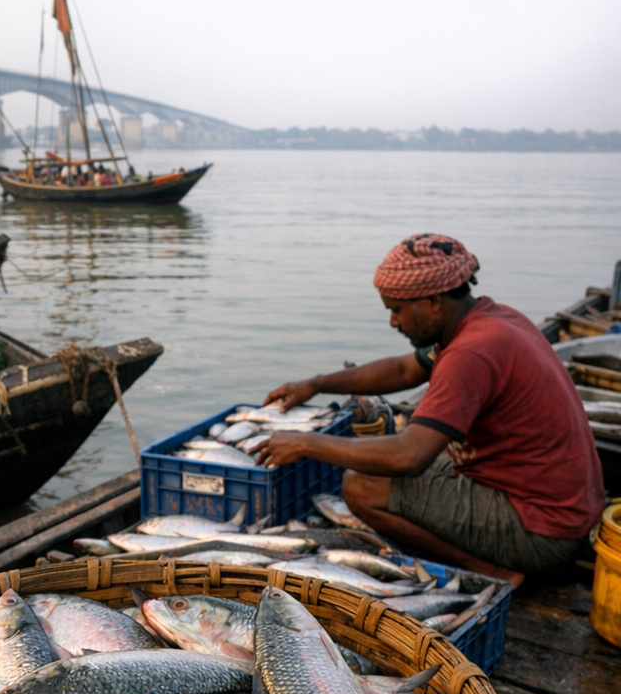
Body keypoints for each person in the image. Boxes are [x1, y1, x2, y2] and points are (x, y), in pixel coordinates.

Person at [257, 232, 604, 584]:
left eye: (397, 310)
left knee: (361, 486)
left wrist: (304, 443)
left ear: (433, 300)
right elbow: (402, 370)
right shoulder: (491, 320)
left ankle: (493, 574)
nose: (394, 322)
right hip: (567, 509)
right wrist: (315, 384)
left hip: (543, 533)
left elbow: (409, 457)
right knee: (403, 448)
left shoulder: (470, 353)